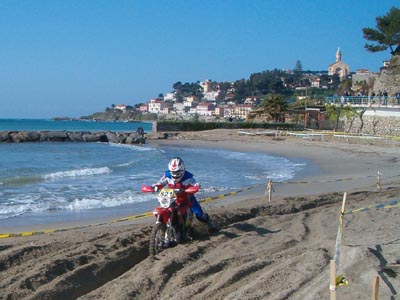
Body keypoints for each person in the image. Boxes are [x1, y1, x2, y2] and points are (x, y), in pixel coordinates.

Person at [152, 157, 217, 232]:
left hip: (187, 199)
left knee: (199, 214)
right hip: (172, 199)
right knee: (164, 208)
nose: (175, 175)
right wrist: (154, 187)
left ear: (182, 170)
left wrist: (195, 187)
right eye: (173, 172)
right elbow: (160, 183)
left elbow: (195, 184)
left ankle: (209, 222)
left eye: (177, 173)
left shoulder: (188, 177)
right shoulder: (167, 175)